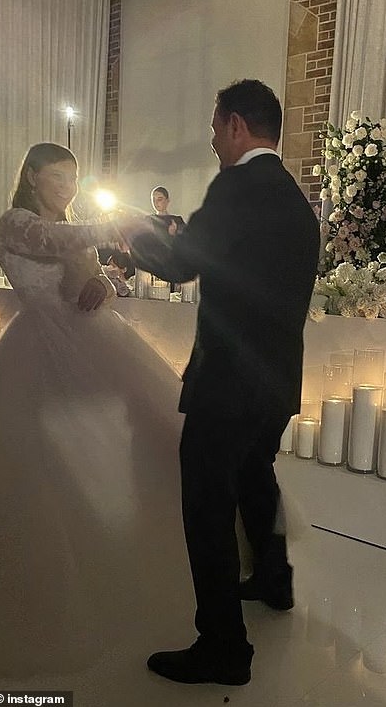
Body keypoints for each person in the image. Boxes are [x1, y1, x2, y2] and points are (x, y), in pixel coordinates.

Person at [124, 79, 320, 686]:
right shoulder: (292, 196)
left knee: (208, 508)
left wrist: (131, 236)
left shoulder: (236, 187)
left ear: (236, 124)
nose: (212, 140)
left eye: (214, 126)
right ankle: (273, 580)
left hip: (229, 381)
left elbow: (184, 264)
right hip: (277, 381)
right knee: (256, 477)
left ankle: (223, 647)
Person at [0, 143, 191, 677]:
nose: (68, 186)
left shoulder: (75, 222)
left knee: (112, 459)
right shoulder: (16, 221)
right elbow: (57, 241)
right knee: (41, 475)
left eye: (74, 177)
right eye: (59, 176)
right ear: (32, 176)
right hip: (38, 352)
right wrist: (117, 222)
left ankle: (127, 566)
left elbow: (96, 276)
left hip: (89, 346)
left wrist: (104, 280)